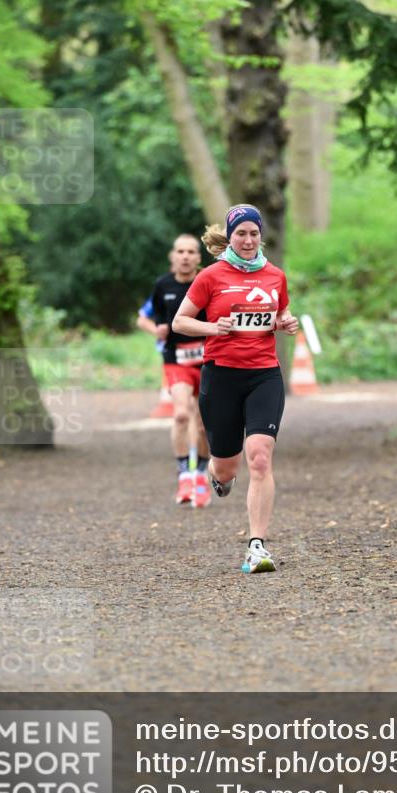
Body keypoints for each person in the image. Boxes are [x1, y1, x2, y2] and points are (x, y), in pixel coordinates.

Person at [172, 205, 298, 573]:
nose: (247, 240)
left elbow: (278, 314)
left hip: (264, 375)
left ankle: (256, 547)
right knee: (227, 466)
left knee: (259, 455)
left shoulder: (275, 276)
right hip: (221, 376)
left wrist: (285, 322)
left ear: (261, 236)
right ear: (231, 237)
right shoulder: (211, 276)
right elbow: (181, 321)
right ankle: (217, 475)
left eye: (254, 234)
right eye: (241, 234)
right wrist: (214, 328)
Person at [142, 235, 211, 508]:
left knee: (204, 425)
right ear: (173, 256)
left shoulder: (206, 281)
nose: (185, 256)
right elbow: (154, 320)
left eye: (191, 252)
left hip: (207, 360)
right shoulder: (163, 285)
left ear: (198, 257)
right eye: (180, 251)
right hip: (176, 359)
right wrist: (156, 330)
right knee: (182, 415)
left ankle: (202, 475)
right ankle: (184, 474)